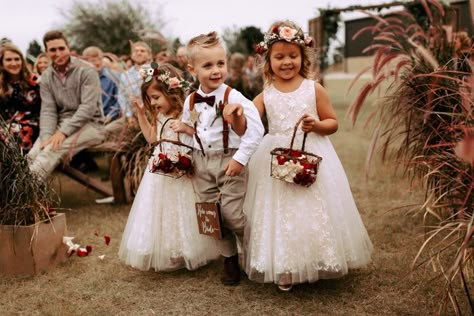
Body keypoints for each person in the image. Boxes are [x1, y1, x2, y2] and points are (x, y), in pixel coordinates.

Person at [244, 20, 373, 291]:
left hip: (311, 152)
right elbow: (248, 124)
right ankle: (285, 264)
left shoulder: (314, 89)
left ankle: (318, 257)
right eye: (279, 57)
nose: (287, 62)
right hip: (276, 158)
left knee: (314, 210)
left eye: (293, 55)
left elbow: (332, 122)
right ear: (268, 60)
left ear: (303, 56)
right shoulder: (265, 95)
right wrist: (235, 115)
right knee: (281, 211)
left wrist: (316, 125)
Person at [172, 31, 264, 285]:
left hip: (229, 160)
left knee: (233, 214)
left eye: (220, 64)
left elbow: (257, 130)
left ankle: (259, 250)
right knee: (211, 215)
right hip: (202, 163)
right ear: (192, 69)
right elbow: (193, 131)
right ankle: (230, 259)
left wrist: (240, 159)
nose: (216, 70)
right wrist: (187, 155)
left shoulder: (233, 96)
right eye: (208, 65)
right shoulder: (191, 100)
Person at [118, 63, 221, 271]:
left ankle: (188, 250)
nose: (153, 103)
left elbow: (202, 133)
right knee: (162, 210)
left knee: (184, 209)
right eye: (149, 99)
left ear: (170, 92)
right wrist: (140, 114)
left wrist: (185, 128)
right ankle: (169, 250)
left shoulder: (188, 111)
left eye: (156, 97)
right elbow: (151, 139)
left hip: (184, 169)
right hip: (161, 170)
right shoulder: (159, 115)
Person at [27, 30, 105, 180]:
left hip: (91, 125)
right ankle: (12, 194)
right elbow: (48, 110)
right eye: (53, 50)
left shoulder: (87, 70)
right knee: (33, 155)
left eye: (61, 48)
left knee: (51, 151)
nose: (58, 53)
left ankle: (23, 194)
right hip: (61, 124)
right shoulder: (47, 76)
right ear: (46, 52)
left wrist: (63, 132)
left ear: (68, 47)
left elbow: (88, 108)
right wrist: (46, 136)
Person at [0, 43, 41, 152]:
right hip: (7, 125)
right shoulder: (1, 84)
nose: (14, 63)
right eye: (8, 60)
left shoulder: (35, 81)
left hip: (33, 124)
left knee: (10, 134)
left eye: (17, 59)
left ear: (22, 61)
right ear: (2, 63)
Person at [82, 46, 120, 124]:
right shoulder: (81, 79)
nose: (97, 63)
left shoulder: (114, 76)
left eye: (99, 59)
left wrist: (111, 115)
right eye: (93, 60)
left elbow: (120, 99)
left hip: (109, 118)